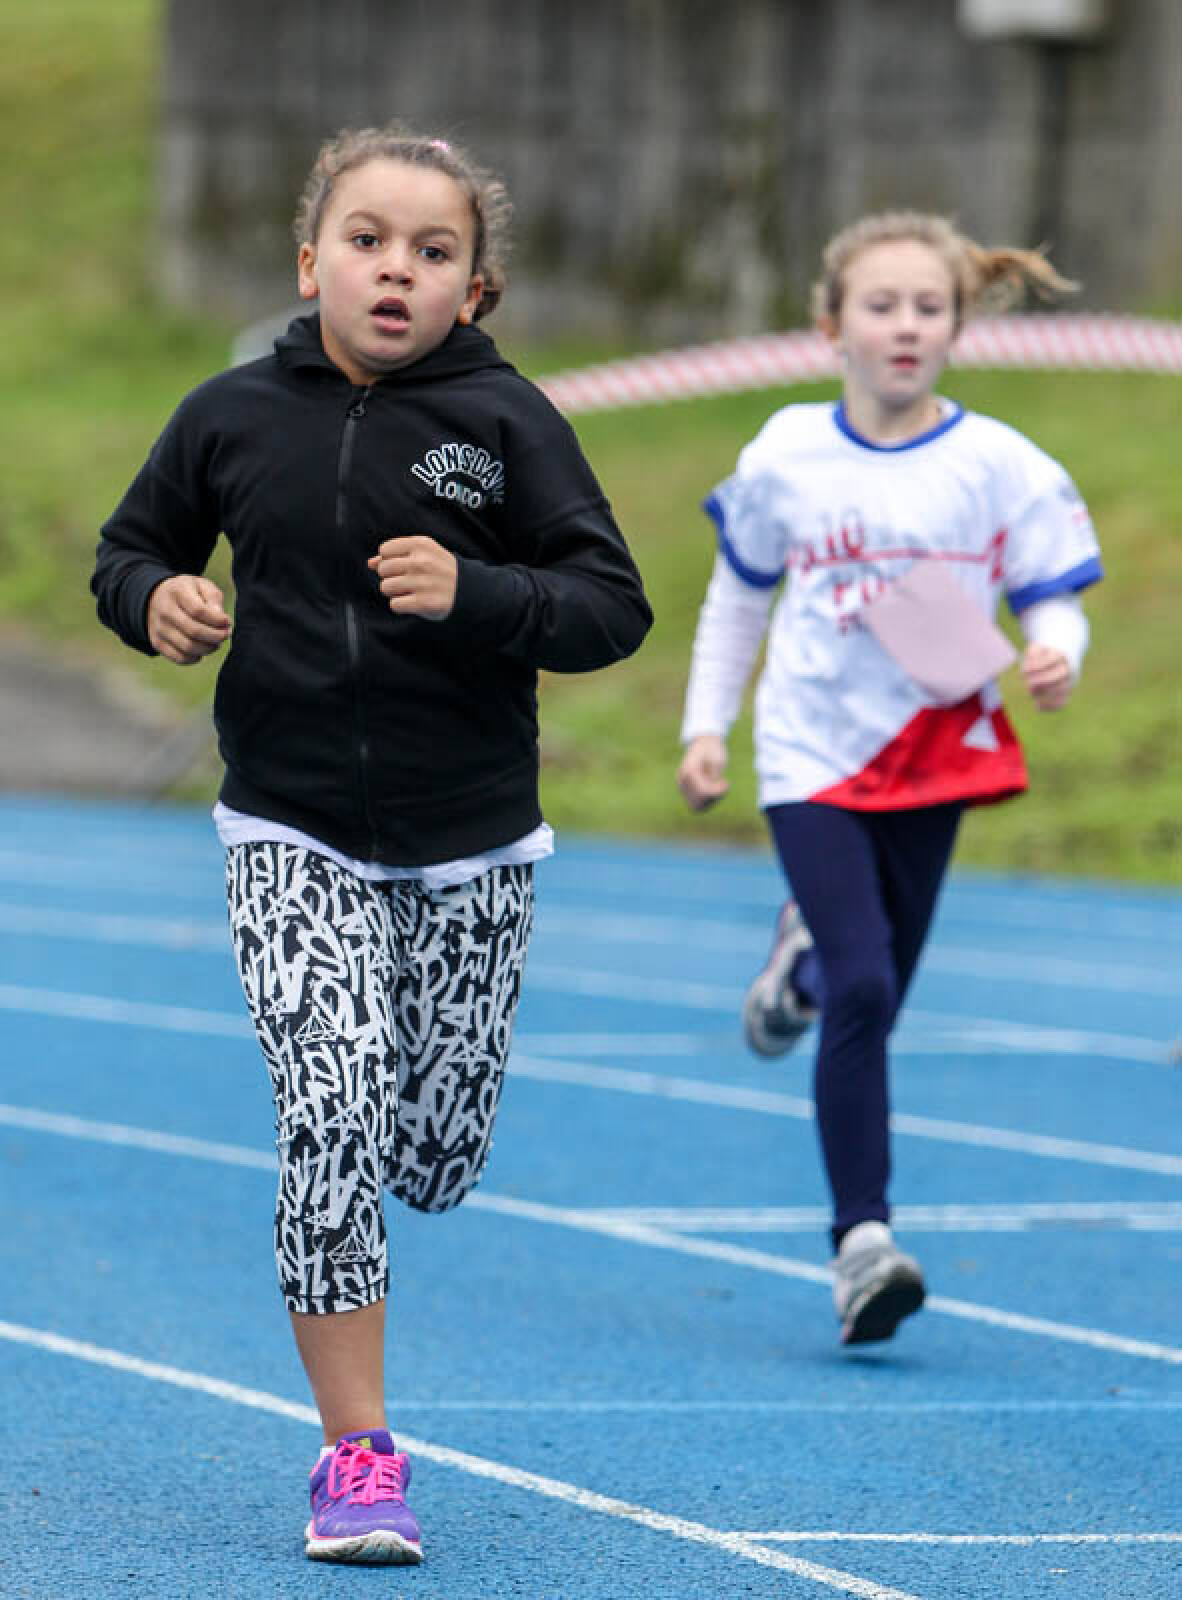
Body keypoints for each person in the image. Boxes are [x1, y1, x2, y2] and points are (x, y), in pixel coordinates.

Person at [92, 124, 651, 1565]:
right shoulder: (228, 416)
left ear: (475, 290)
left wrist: (481, 594)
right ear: (309, 263)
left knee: (435, 1153)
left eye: (432, 250)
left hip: (472, 843)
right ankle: (358, 1456)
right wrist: (154, 599)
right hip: (290, 826)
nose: (396, 269)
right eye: (367, 240)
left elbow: (610, 606)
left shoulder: (509, 425)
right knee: (328, 1112)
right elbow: (128, 551)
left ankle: (426, 1148)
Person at [676, 211, 1101, 1348]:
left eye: (928, 307)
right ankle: (862, 1243)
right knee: (866, 989)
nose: (905, 326)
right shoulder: (785, 455)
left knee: (875, 990)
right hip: (810, 755)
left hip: (932, 753)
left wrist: (1057, 649)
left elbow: (1052, 592)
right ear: (831, 327)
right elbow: (738, 597)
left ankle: (801, 966)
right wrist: (707, 727)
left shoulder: (998, 463)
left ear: (957, 326)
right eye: (881, 305)